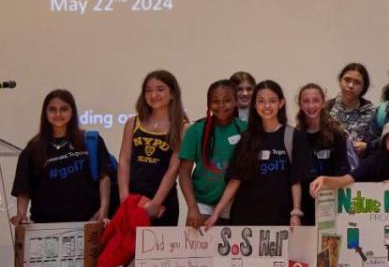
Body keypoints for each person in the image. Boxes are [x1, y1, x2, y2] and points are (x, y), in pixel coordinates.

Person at [208, 80, 310, 229]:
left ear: (281, 103)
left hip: (280, 218)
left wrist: (296, 212)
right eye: (261, 101)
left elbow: (296, 180)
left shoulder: (293, 136)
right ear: (255, 105)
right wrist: (216, 213)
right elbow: (235, 180)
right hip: (246, 219)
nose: (267, 106)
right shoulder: (247, 138)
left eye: (272, 101)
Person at [11, 90, 111, 224]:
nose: (58, 114)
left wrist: (103, 210)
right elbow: (23, 188)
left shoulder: (91, 141)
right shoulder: (32, 149)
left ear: (72, 112)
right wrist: (21, 215)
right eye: (52, 109)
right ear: (45, 113)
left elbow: (104, 177)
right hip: (45, 228)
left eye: (64, 109)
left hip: (87, 224)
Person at [119, 70, 186, 227]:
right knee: (128, 251)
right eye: (148, 90)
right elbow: (124, 160)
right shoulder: (133, 122)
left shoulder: (183, 127)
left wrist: (156, 203)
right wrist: (124, 197)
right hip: (133, 199)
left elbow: (173, 169)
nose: (153, 95)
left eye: (160, 89)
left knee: (160, 251)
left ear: (172, 94)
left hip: (163, 202)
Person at [179, 80, 245, 228]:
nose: (221, 106)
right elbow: (184, 171)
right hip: (203, 201)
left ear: (235, 102)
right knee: (197, 248)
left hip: (236, 203)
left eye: (227, 101)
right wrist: (192, 207)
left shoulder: (245, 130)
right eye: (215, 101)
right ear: (208, 104)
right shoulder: (195, 131)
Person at [297, 83, 351, 225]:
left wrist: (326, 181)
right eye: (306, 101)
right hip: (305, 204)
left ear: (323, 103)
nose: (311, 105)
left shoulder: (336, 133)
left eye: (315, 100)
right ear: (300, 104)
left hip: (331, 199)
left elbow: (344, 170)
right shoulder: (296, 135)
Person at [326, 63, 374, 160]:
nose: (351, 86)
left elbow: (378, 144)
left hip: (361, 169)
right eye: (347, 80)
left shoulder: (372, 112)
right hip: (331, 168)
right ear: (340, 81)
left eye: (357, 82)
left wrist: (367, 146)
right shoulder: (326, 108)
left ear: (363, 87)